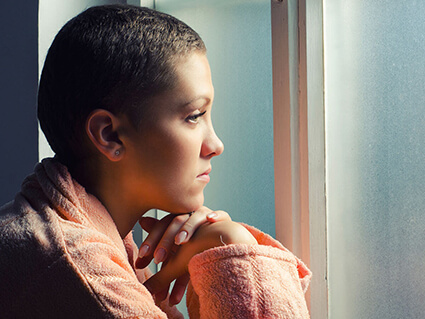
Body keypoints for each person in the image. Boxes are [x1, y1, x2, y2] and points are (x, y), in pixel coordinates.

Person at [0, 4, 311, 318]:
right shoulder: (81, 273)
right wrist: (235, 248)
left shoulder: (57, 232)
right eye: (194, 116)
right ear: (109, 135)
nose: (216, 145)